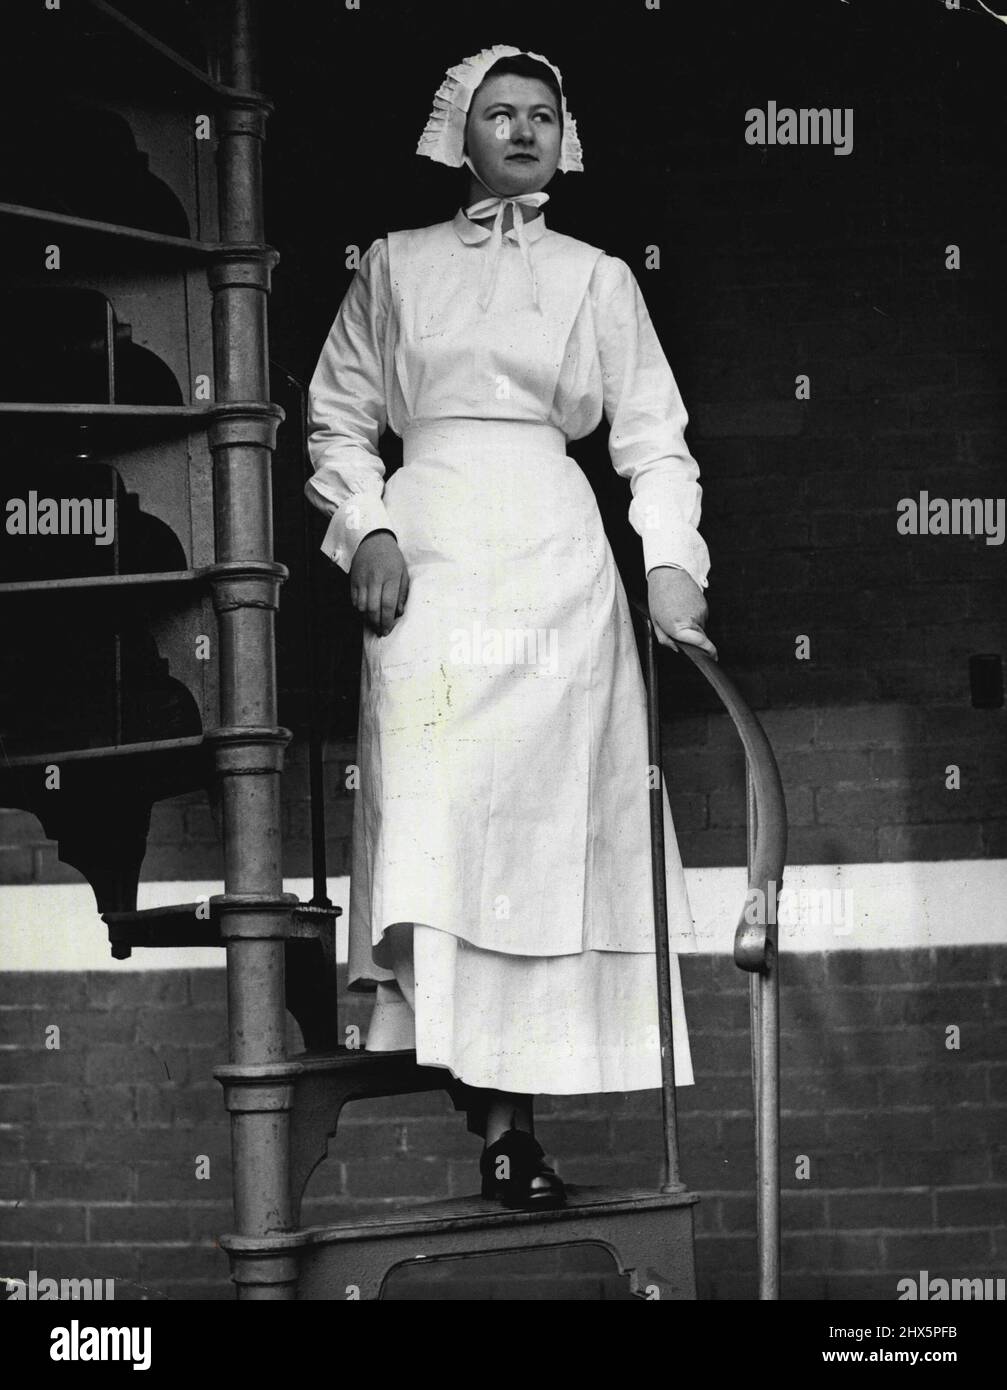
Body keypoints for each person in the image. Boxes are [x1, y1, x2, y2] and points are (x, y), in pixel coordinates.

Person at [304, 44, 716, 1210]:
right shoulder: (393, 267)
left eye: (542, 114)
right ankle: (478, 1095)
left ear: (562, 137)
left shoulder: (594, 278)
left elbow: (650, 439)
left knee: (539, 843)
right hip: (430, 567)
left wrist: (672, 565)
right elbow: (336, 422)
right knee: (439, 829)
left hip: (554, 568)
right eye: (501, 114)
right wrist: (367, 531)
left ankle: (509, 1135)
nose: (522, 131)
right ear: (460, 134)